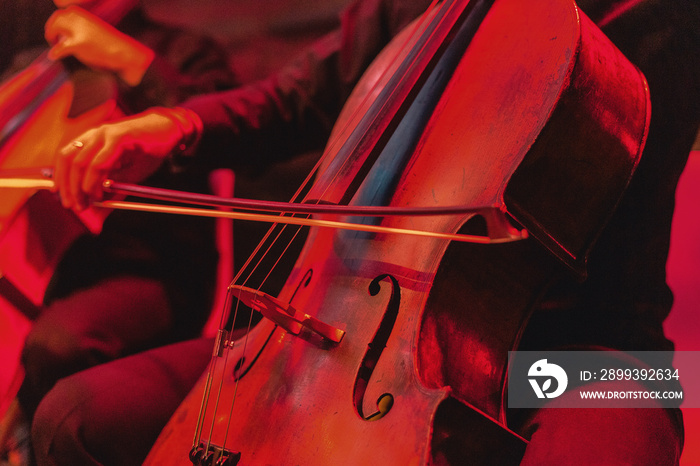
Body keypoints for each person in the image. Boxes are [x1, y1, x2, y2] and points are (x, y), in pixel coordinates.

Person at [25, 0, 700, 464]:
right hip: (358, 332)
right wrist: (176, 126)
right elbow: (301, 93)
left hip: (575, 360)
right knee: (76, 420)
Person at [0, 1, 239, 463]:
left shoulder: (184, 50)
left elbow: (225, 126)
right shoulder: (32, 64)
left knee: (57, 345)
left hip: (150, 271)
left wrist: (132, 61)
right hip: (38, 273)